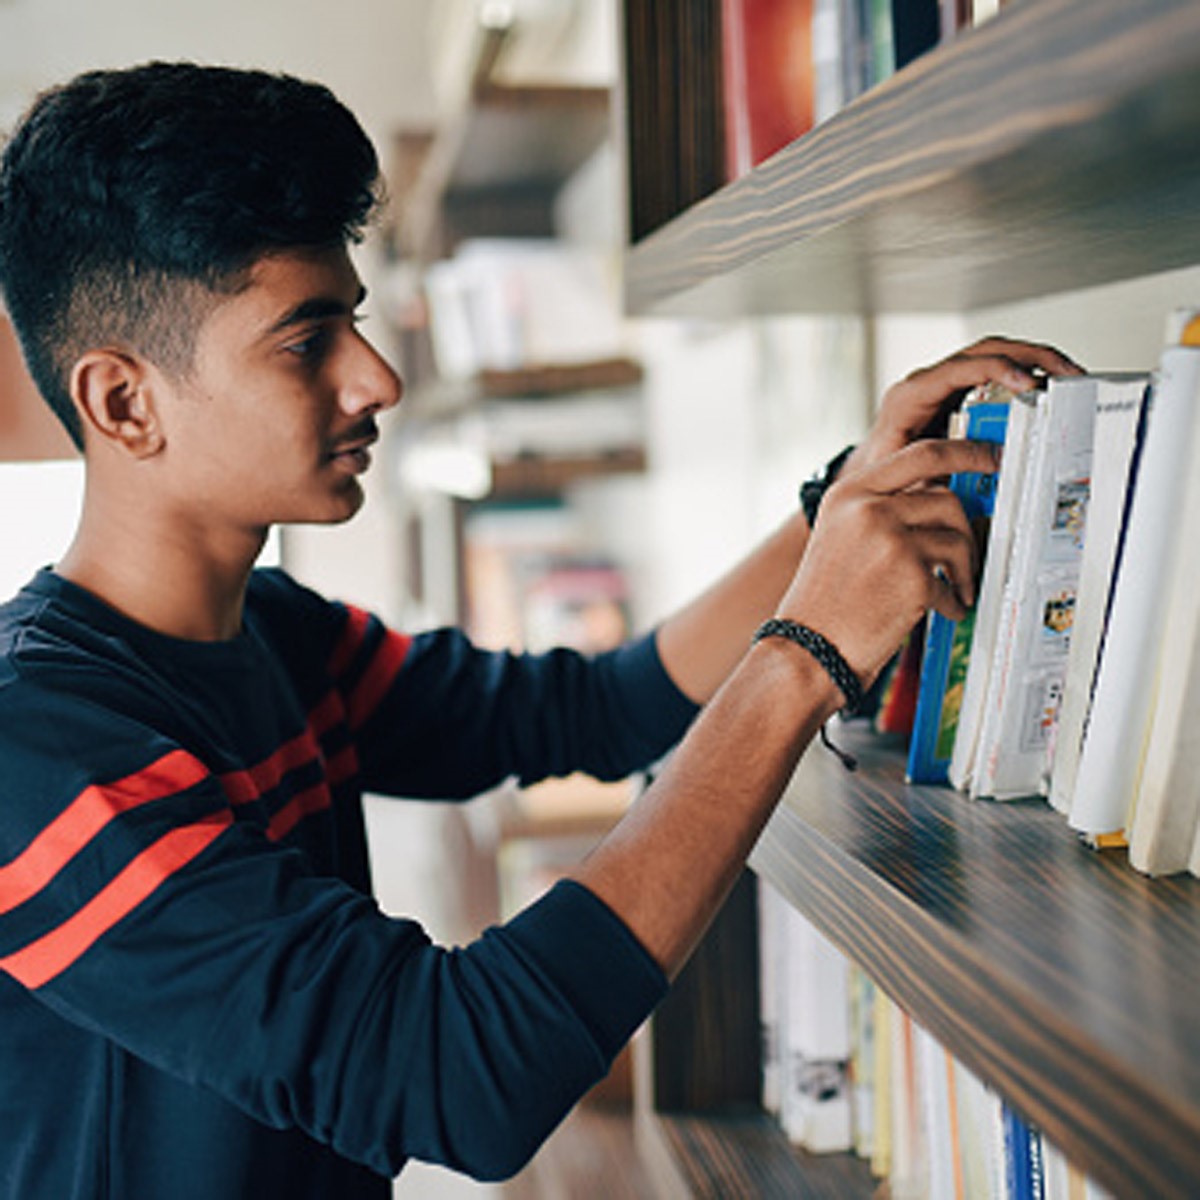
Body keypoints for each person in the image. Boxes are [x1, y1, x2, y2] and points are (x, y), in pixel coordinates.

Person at [0, 61, 1079, 1200]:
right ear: (124, 402)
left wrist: (835, 508)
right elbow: (457, 1074)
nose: (377, 379)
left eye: (354, 321)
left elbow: (598, 709)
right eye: (306, 341)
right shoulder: (39, 749)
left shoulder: (274, 632)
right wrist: (806, 654)